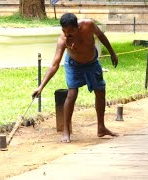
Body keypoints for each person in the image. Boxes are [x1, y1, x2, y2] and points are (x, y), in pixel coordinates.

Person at [32, 13, 119, 143]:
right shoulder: (63, 40)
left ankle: (101, 127)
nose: (67, 34)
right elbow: (55, 64)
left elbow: (101, 36)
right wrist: (41, 86)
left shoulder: (89, 25)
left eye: (70, 31)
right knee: (72, 94)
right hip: (73, 65)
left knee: (100, 91)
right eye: (64, 31)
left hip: (92, 63)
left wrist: (112, 53)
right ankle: (66, 131)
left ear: (77, 27)